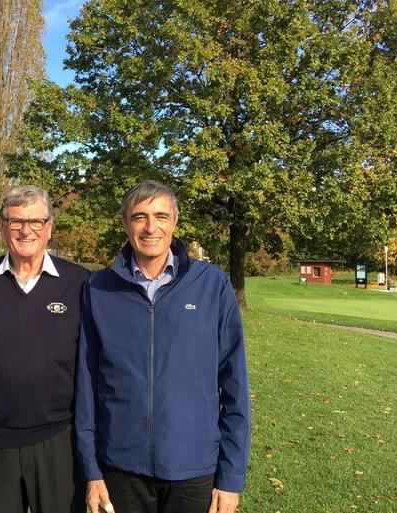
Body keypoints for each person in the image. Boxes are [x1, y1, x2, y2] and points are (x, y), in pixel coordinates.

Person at [75, 180, 251, 513]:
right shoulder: (98, 289)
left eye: (161, 216)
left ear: (175, 221)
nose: (150, 227)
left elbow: (235, 386)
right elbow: (86, 384)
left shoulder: (212, 285)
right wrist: (91, 469)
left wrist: (230, 476)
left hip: (194, 468)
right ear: (125, 223)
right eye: (139, 217)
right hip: (120, 468)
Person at [0, 185, 89, 513]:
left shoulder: (78, 283)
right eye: (16, 221)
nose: (26, 230)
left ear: (50, 226)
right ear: (3, 226)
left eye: (36, 222)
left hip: (58, 438)